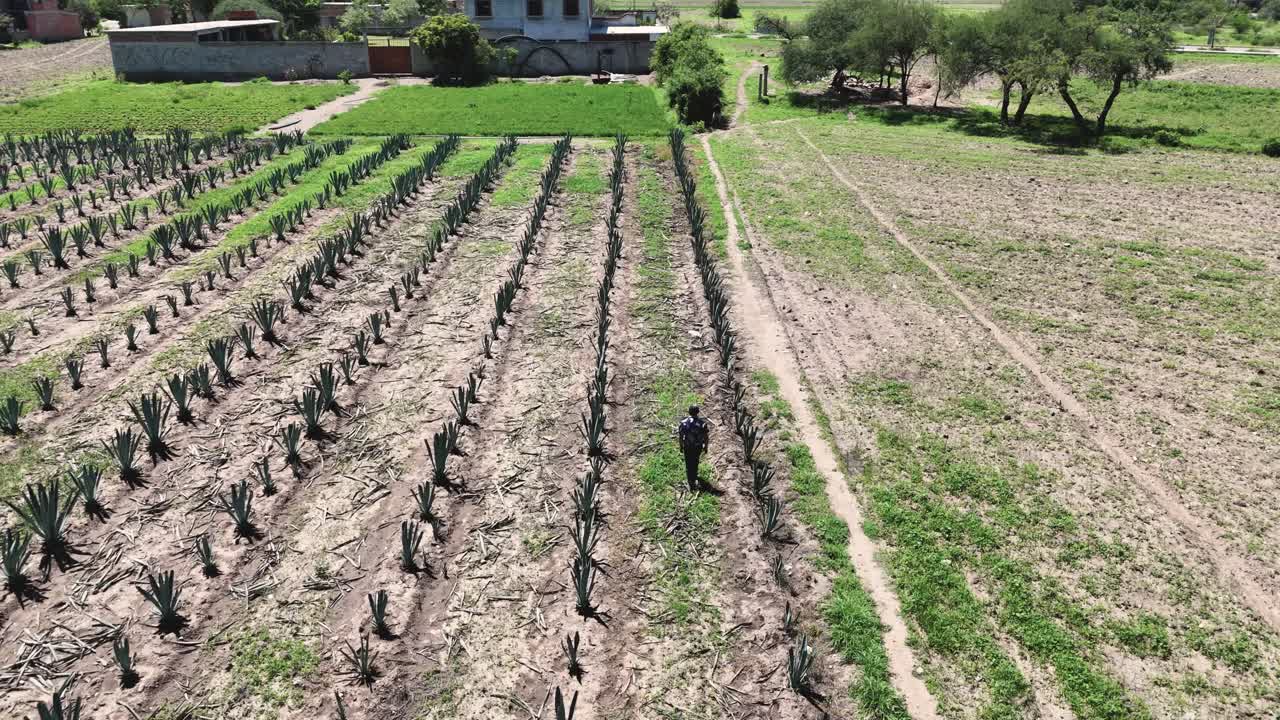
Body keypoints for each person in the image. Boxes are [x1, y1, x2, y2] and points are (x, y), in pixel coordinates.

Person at [676, 405, 709, 492]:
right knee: (695, 461)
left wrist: (681, 446)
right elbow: (706, 437)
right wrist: (706, 447)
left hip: (687, 446)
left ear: (689, 412)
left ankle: (690, 481)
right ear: (698, 412)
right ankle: (694, 477)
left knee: (688, 462)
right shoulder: (702, 424)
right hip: (697, 447)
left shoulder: (683, 423)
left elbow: (681, 436)